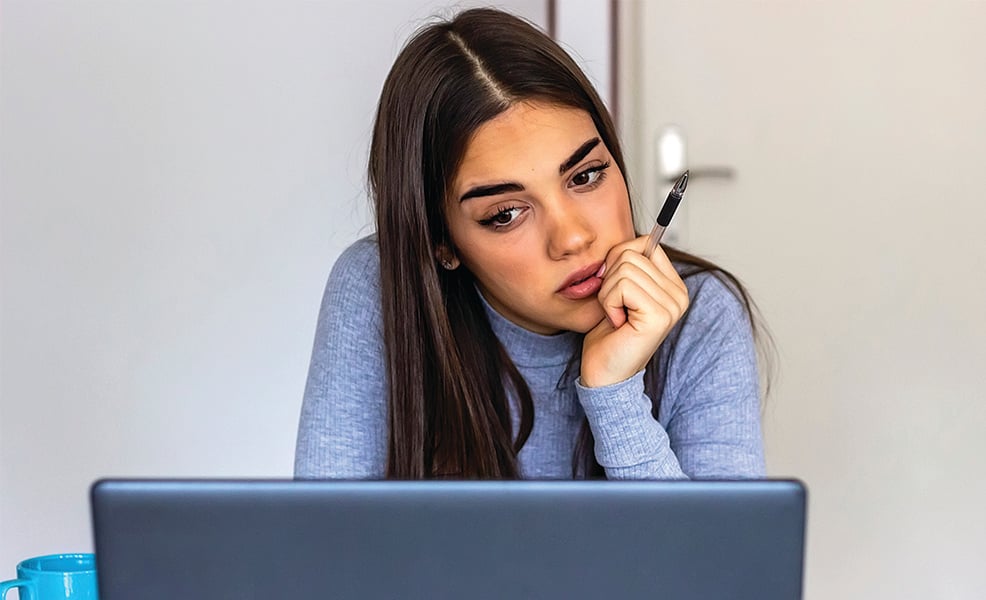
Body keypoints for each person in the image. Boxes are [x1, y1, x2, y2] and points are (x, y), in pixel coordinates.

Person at [295, 7, 769, 480]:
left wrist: (616, 395)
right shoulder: (380, 289)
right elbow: (324, 548)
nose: (574, 237)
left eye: (586, 175)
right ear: (442, 243)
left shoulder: (701, 314)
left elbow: (710, 557)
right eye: (505, 213)